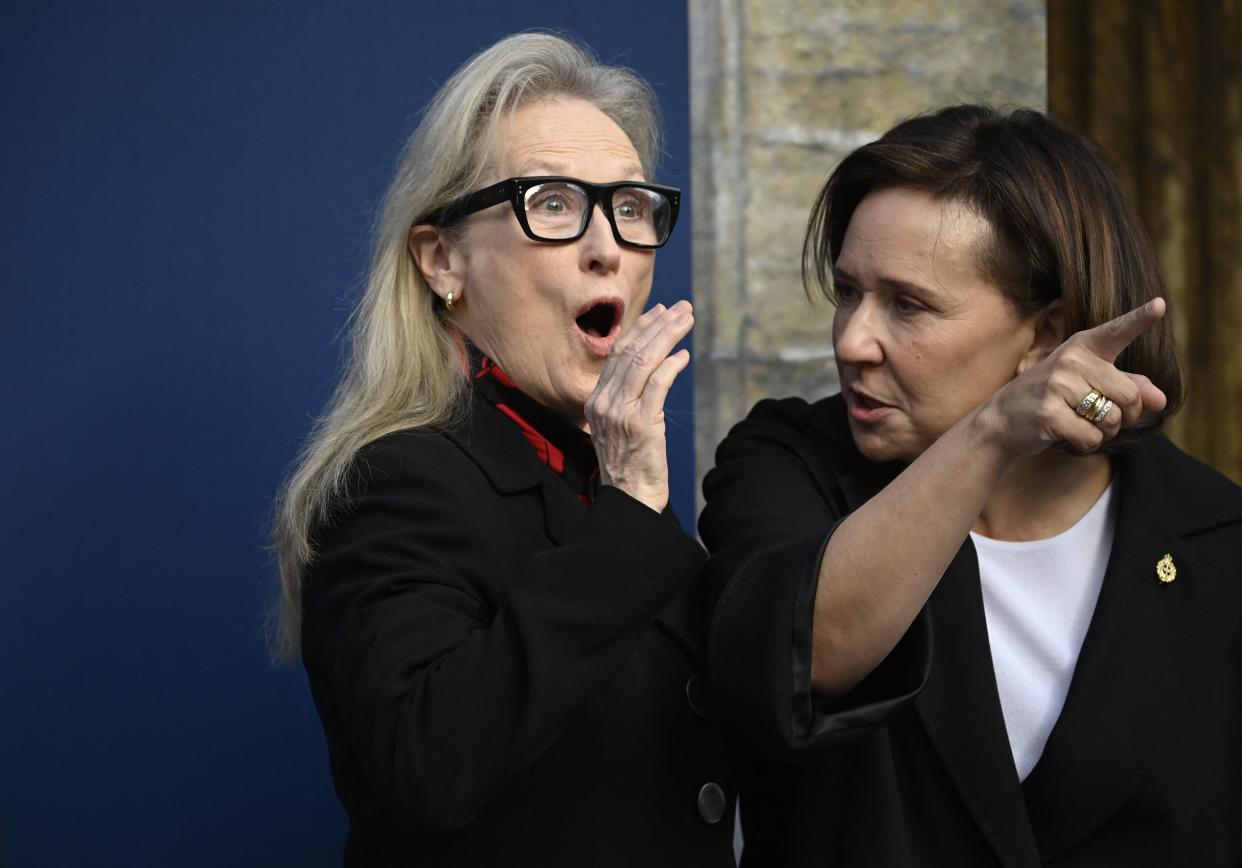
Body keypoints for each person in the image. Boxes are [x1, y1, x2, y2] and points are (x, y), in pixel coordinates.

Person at [700, 104, 1242, 866]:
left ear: (1046, 336)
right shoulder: (792, 463)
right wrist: (988, 434)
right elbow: (800, 657)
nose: (852, 340)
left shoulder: (1215, 544)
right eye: (848, 291)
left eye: (909, 305)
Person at [273, 33, 736, 866]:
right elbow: (428, 767)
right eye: (553, 203)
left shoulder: (596, 473)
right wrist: (631, 505)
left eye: (631, 207)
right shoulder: (392, 483)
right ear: (442, 259)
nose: (610, 247)